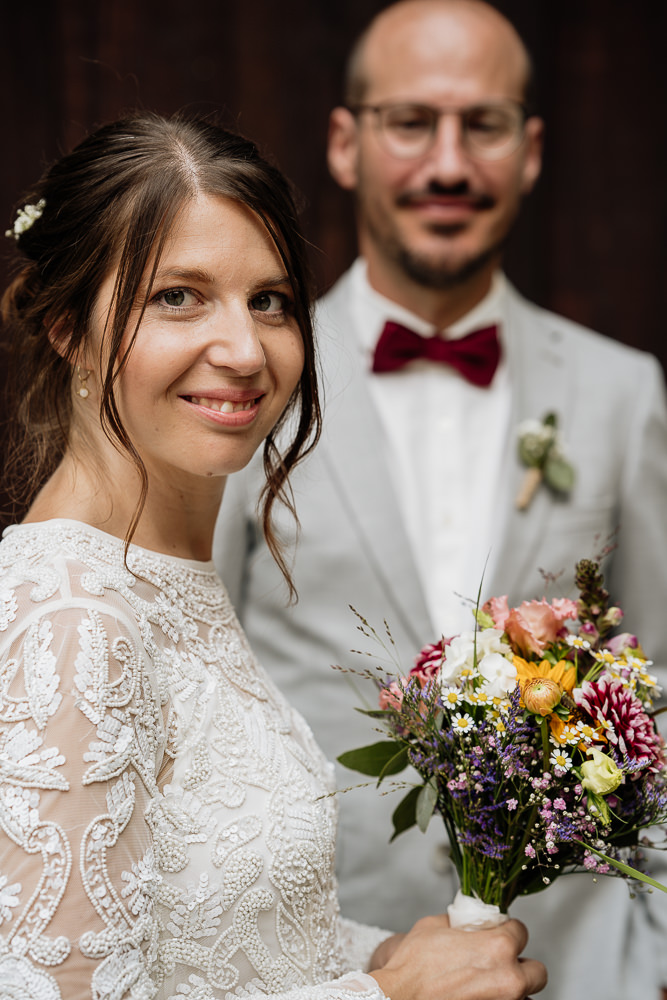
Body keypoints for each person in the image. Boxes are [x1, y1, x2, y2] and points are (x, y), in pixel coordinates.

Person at [0, 111, 546, 999]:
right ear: (68, 324)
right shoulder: (71, 622)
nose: (245, 351)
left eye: (270, 301)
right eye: (177, 295)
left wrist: (380, 956)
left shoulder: (161, 582)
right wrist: (394, 996)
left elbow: (209, 928)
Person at [213, 2, 667, 999]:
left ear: (532, 148)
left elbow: (660, 683)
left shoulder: (621, 390)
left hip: (585, 967)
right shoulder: (244, 380)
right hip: (317, 961)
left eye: (485, 124)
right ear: (346, 142)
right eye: (411, 122)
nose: (448, 163)